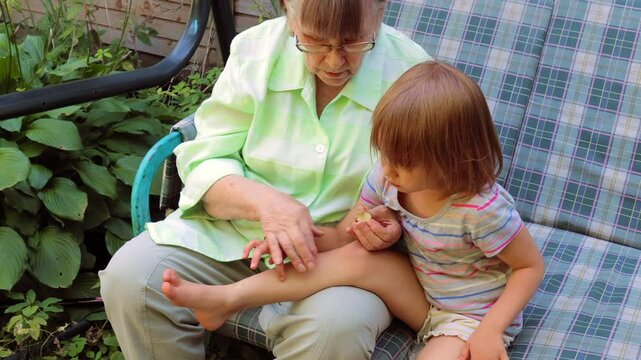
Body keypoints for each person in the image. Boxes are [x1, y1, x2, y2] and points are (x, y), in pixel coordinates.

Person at [99, 0, 431, 358]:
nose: (335, 61)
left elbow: (430, 186)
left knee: (335, 328)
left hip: (341, 260)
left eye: (353, 43)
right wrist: (265, 204)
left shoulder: (413, 75)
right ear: (289, 11)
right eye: (315, 42)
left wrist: (394, 224)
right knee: (132, 279)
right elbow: (206, 157)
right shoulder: (254, 50)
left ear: (380, 13)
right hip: (235, 235)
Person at [160, 61, 546, 360]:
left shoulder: (480, 209)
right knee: (357, 255)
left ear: (450, 157)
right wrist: (291, 240)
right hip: (419, 290)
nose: (389, 168)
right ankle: (227, 299)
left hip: (470, 315)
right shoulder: (389, 177)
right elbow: (345, 234)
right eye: (385, 153)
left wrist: (491, 329)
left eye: (404, 160)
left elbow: (530, 267)